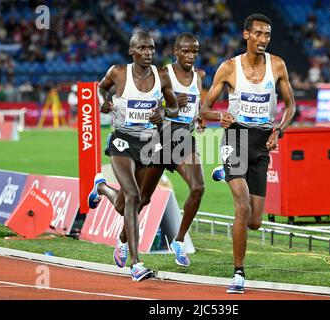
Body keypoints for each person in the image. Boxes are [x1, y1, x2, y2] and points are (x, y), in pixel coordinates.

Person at [200, 14, 296, 293]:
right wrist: (220, 116)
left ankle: (226, 173)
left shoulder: (277, 65)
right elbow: (203, 109)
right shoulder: (229, 68)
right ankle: (238, 274)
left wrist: (280, 129)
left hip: (262, 142)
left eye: (267, 35)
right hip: (236, 137)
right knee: (241, 208)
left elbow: (290, 107)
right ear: (246, 35)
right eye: (258, 34)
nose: (263, 39)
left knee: (254, 221)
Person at [88, 31, 178, 281]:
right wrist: (102, 102)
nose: (148, 52)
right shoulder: (118, 72)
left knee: (137, 201)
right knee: (133, 196)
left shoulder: (162, 77)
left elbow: (173, 106)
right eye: (143, 48)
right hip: (121, 141)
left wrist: (162, 111)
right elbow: (100, 89)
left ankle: (103, 188)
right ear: (132, 51)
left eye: (151, 48)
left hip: (149, 144)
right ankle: (136, 263)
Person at [114, 32, 206, 268]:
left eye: (195, 51)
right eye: (186, 51)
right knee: (142, 199)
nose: (191, 56)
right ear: (176, 52)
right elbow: (149, 100)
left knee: (198, 187)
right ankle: (124, 240)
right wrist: (170, 102)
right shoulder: (162, 73)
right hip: (159, 138)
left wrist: (200, 117)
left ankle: (178, 240)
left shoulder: (200, 76)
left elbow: (196, 107)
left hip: (183, 139)